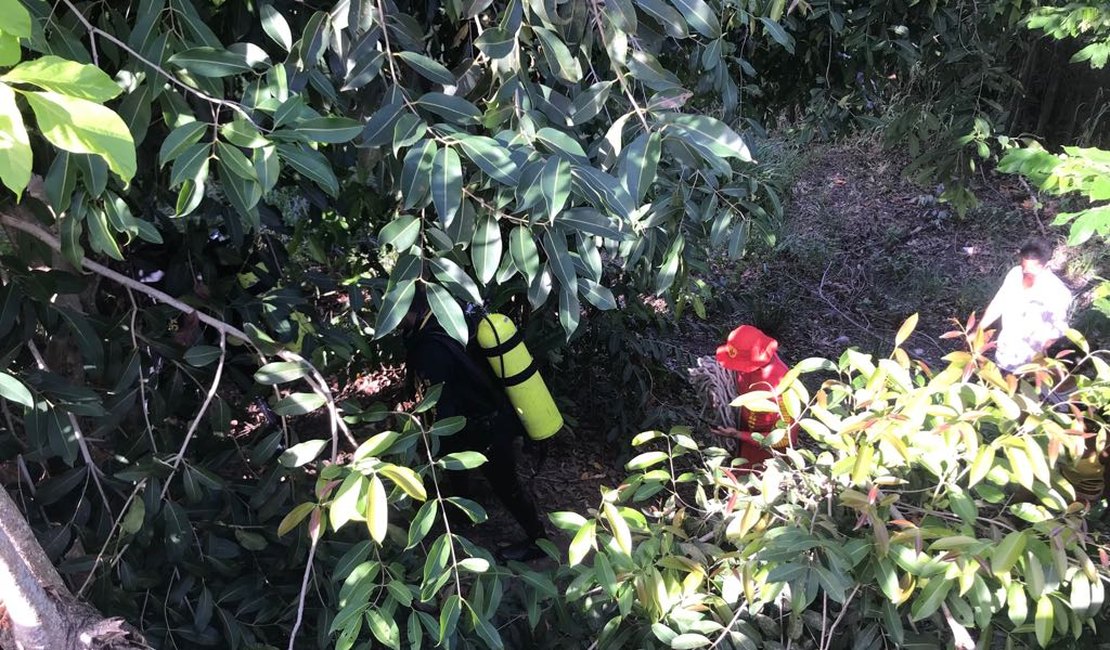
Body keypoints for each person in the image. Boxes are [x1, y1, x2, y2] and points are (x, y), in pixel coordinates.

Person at [400, 286, 547, 562]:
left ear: (407, 311)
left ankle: (538, 540)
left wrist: (434, 438)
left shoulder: (431, 347)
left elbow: (441, 401)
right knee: (454, 456)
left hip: (486, 423)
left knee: (506, 484)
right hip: (481, 413)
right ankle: (461, 511)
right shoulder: (442, 320)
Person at [710, 325, 798, 470]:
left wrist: (739, 435)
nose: (734, 368)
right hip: (746, 431)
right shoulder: (752, 365)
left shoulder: (782, 388)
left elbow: (785, 437)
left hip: (768, 450)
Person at [979, 238, 1072, 373]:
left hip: (1029, 365)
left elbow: (1056, 333)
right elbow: (999, 303)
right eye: (1023, 268)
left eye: (1031, 271)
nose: (1025, 273)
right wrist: (978, 330)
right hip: (1004, 354)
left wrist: (1038, 361)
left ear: (1045, 265)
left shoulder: (1058, 293)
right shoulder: (1015, 274)